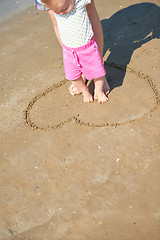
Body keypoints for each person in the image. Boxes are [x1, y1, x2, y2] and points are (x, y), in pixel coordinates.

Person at [35, 0, 110, 103]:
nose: (61, 13)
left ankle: (98, 79)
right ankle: (83, 82)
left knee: (90, 8)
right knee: (72, 76)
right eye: (57, 11)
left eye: (64, 9)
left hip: (87, 46)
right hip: (70, 51)